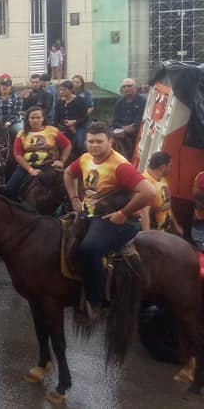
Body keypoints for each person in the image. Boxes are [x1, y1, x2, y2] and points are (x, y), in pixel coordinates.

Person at [63, 121, 156, 324]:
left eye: (99, 141)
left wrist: (124, 212)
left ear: (110, 141)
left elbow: (150, 192)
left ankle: (95, 304)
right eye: (90, 141)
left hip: (119, 221)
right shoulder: (86, 158)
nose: (94, 145)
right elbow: (69, 174)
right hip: (89, 214)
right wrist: (75, 200)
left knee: (89, 248)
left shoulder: (120, 166)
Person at [2, 106, 72, 199]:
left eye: (38, 117)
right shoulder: (21, 134)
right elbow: (17, 155)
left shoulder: (52, 130)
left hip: (49, 165)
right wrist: (30, 170)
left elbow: (67, 145)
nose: (35, 120)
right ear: (28, 119)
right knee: (8, 190)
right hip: (26, 167)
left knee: (62, 189)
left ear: (43, 118)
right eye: (32, 118)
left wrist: (62, 161)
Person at [139, 151, 182, 235]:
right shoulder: (146, 184)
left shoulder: (162, 180)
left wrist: (175, 226)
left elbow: (167, 204)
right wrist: (147, 237)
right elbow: (144, 213)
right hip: (153, 233)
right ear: (162, 167)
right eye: (169, 166)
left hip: (163, 230)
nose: (170, 169)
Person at [54, 80, 90, 152]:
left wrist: (75, 122)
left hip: (79, 126)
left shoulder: (80, 101)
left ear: (71, 90)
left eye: (64, 90)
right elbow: (56, 117)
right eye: (60, 90)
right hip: (63, 126)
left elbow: (85, 117)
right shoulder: (59, 102)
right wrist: (61, 125)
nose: (61, 92)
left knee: (80, 143)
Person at [111, 78, 145, 145]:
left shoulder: (142, 101)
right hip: (121, 129)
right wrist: (122, 128)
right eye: (124, 87)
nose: (126, 88)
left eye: (129, 86)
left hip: (136, 131)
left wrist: (131, 128)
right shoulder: (119, 103)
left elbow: (140, 119)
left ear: (135, 87)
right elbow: (114, 121)